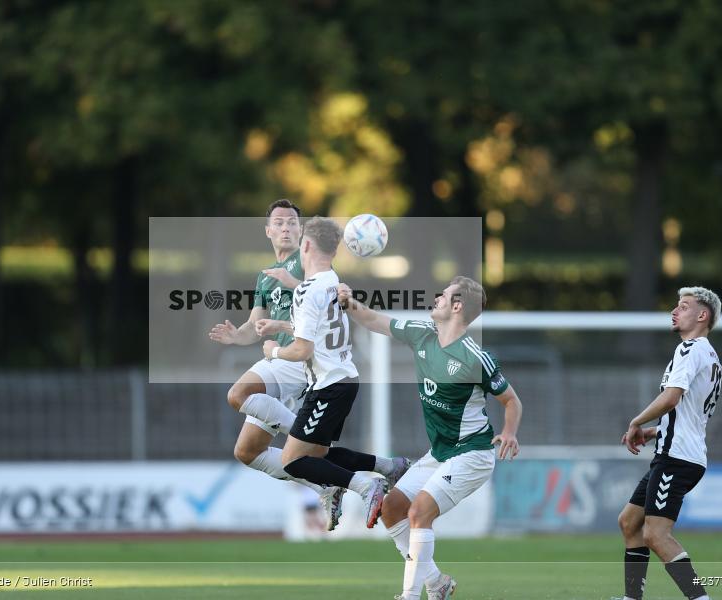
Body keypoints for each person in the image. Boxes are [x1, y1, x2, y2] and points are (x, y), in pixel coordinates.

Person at [338, 276, 523, 600]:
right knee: (393, 507)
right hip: (440, 452)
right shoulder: (421, 334)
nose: (435, 297)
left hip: (472, 453)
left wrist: (509, 433)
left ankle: (411, 596)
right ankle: (436, 581)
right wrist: (349, 302)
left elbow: (511, 400)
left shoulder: (474, 357)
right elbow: (373, 319)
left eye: (445, 294)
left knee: (419, 512)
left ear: (457, 306)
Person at [260, 216, 410, 529]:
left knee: (293, 461)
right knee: (319, 455)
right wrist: (281, 325)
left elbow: (303, 350)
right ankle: (386, 466)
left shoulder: (307, 291)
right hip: (343, 381)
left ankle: (365, 485)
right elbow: (314, 328)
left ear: (307, 245)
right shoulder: (332, 281)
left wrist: (273, 351)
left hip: (327, 386)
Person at [209, 200, 343, 529]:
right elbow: (255, 325)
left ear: (301, 231)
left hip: (301, 359)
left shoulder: (309, 261)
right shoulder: (266, 276)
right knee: (247, 452)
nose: (286, 227)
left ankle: (310, 438)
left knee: (238, 395)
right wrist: (235, 336)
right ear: (268, 231)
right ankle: (324, 483)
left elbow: (329, 296)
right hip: (279, 361)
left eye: (292, 223)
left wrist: (292, 282)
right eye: (279, 223)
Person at [617, 287, 722, 600]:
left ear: (702, 316)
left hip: (677, 458)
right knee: (629, 522)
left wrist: (637, 421)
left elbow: (671, 397)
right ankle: (632, 597)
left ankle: (700, 598)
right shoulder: (711, 356)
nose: (675, 312)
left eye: (684, 307)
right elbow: (689, 412)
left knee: (655, 533)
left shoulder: (691, 349)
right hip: (674, 452)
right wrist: (654, 431)